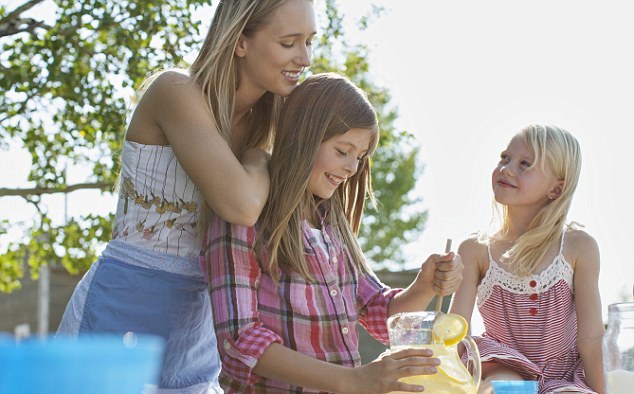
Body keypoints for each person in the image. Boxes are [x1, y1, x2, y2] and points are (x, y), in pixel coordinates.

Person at [56, 1, 316, 393]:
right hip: (122, 311)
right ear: (240, 41)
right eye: (289, 42)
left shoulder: (274, 122)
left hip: (197, 332)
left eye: (310, 42)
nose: (305, 57)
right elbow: (240, 206)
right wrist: (259, 157)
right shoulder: (175, 91)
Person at [202, 72, 464, 393]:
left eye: (360, 156)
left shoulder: (331, 227)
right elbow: (240, 340)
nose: (352, 168)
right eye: (343, 151)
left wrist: (423, 286)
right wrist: (351, 380)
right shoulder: (248, 216)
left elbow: (379, 315)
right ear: (303, 138)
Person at [449, 125, 604, 394]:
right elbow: (456, 332)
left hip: (564, 374)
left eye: (525, 164)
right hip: (504, 364)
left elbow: (591, 339)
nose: (507, 169)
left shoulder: (578, 247)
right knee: (503, 387)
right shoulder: (475, 250)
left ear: (556, 189)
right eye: (505, 158)